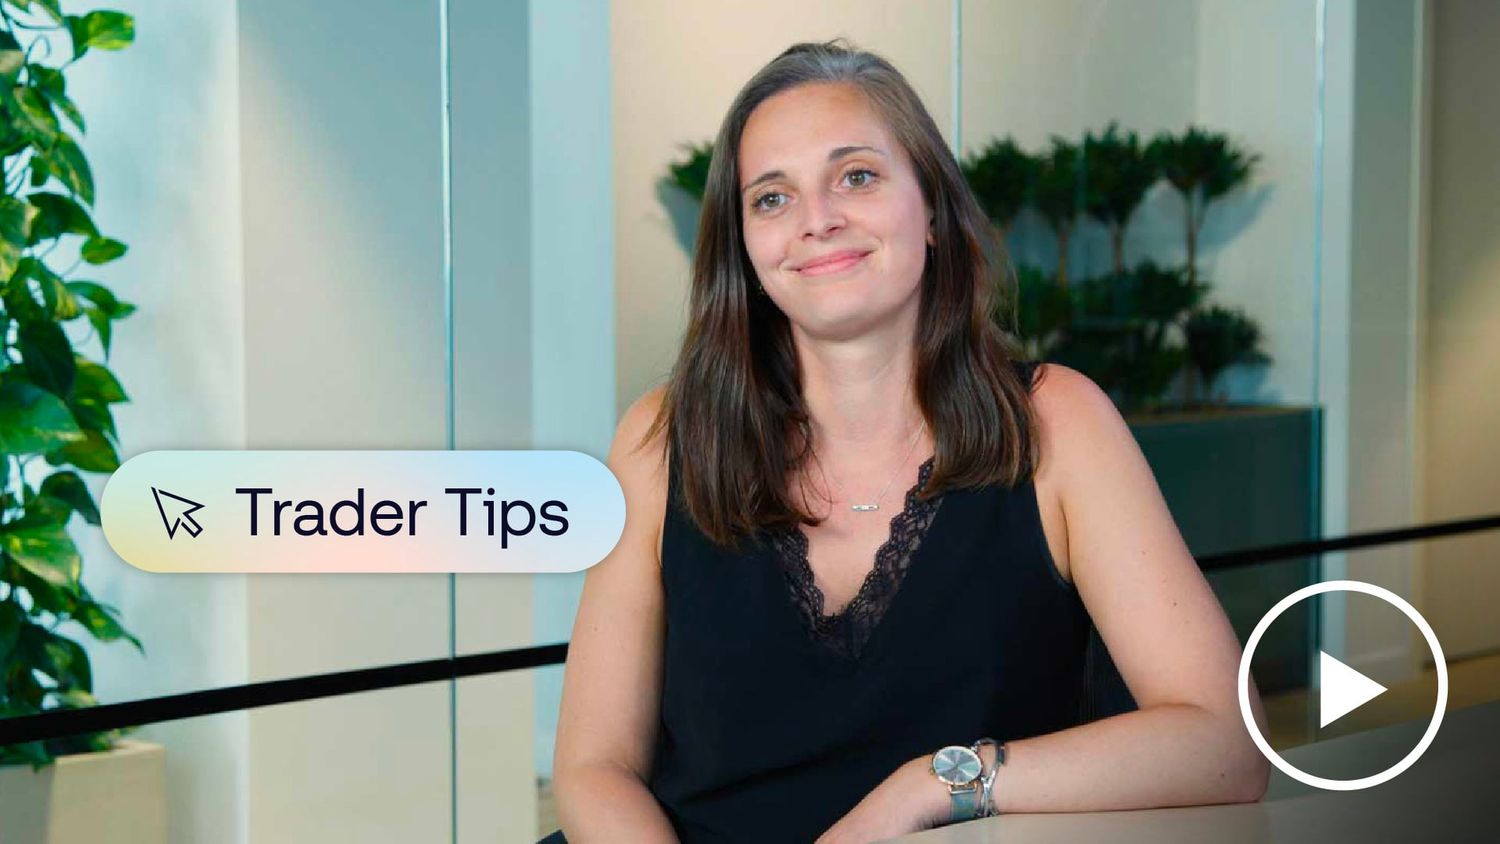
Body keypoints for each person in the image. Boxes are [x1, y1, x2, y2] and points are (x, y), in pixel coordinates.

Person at [550, 38, 1270, 844]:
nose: (818, 220)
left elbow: (1225, 742)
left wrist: (929, 786)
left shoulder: (1058, 424)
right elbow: (593, 767)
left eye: (856, 176)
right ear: (746, 252)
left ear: (930, 209)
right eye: (772, 198)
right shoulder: (659, 438)